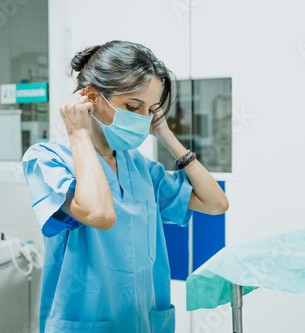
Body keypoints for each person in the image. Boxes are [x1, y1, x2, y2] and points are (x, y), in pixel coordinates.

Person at [22, 40, 229, 333]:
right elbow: (100, 215)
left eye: (150, 111)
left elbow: (215, 203)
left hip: (144, 321)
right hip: (84, 323)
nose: (142, 119)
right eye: (132, 107)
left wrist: (166, 135)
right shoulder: (47, 160)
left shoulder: (142, 168)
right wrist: (79, 133)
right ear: (91, 98)